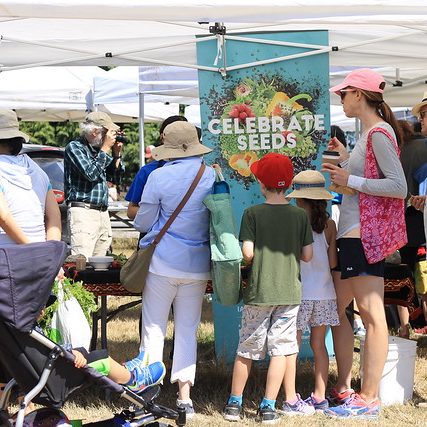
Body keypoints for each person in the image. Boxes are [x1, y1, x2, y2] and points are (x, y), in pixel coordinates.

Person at [322, 68, 407, 419]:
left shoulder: (379, 134)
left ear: (359, 94)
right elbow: (369, 181)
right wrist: (346, 162)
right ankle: (345, 387)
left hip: (361, 235)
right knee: (333, 308)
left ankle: (369, 397)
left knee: (372, 317)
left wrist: (351, 178)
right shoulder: (370, 134)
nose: (340, 99)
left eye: (344, 94)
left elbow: (398, 187)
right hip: (354, 233)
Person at [223, 153, 314, 424]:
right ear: (287, 185)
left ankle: (234, 404)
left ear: (261, 184)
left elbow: (248, 254)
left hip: (259, 293)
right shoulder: (300, 215)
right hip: (289, 293)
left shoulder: (252, 214)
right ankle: (268, 406)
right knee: (281, 350)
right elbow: (307, 255)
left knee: (247, 349)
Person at [133, 121, 215, 419]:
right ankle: (185, 397)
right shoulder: (210, 176)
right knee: (187, 331)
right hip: (197, 265)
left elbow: (143, 223)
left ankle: (147, 392)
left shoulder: (158, 176)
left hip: (163, 262)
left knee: (153, 328)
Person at [0, 108, 62, 405]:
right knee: (28, 331)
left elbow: (2, 216)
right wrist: (48, 256)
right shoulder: (34, 169)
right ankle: (28, 387)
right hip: (37, 264)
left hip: (7, 263)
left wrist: (28, 250)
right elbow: (54, 218)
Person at [287, 170, 339, 413]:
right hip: (325, 292)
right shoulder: (329, 225)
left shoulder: (294, 220)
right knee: (320, 346)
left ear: (299, 198)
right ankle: (319, 395)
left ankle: (291, 396)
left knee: (292, 347)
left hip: (299, 292)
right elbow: (332, 263)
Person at [64, 111, 124, 258]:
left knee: (101, 264)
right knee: (82, 262)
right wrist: (105, 149)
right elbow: (90, 174)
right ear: (94, 131)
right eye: (107, 132)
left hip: (102, 212)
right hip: (83, 212)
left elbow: (116, 178)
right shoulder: (75, 147)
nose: (109, 137)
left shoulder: (99, 152)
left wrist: (116, 155)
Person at [395, 120, 427, 338]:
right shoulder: (424, 146)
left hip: (401, 223)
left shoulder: (395, 152)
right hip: (422, 223)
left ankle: (405, 328)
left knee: (402, 278)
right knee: (424, 278)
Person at [126, 115, 188, 220]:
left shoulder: (201, 171)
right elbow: (131, 211)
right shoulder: (148, 171)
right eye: (173, 135)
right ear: (162, 137)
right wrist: (165, 214)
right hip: (155, 234)